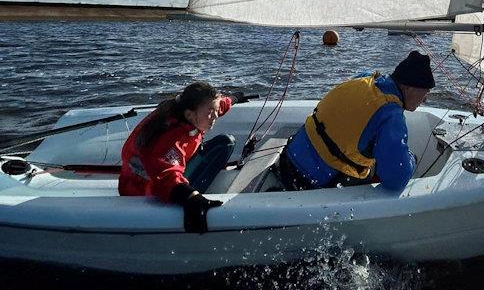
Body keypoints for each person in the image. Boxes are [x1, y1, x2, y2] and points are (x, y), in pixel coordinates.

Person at [279, 50, 435, 192]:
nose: (425, 99)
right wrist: (411, 160)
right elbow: (396, 179)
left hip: (289, 158)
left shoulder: (367, 79)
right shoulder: (390, 114)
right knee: (406, 161)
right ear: (409, 88)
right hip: (312, 181)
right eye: (425, 91)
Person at [119, 82, 244, 233]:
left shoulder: (187, 111)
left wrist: (235, 98)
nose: (215, 116)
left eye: (216, 110)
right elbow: (165, 177)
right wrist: (192, 197)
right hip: (146, 191)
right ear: (189, 115)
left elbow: (220, 106)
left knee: (225, 142)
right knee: (222, 144)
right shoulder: (170, 136)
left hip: (165, 172)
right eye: (211, 112)